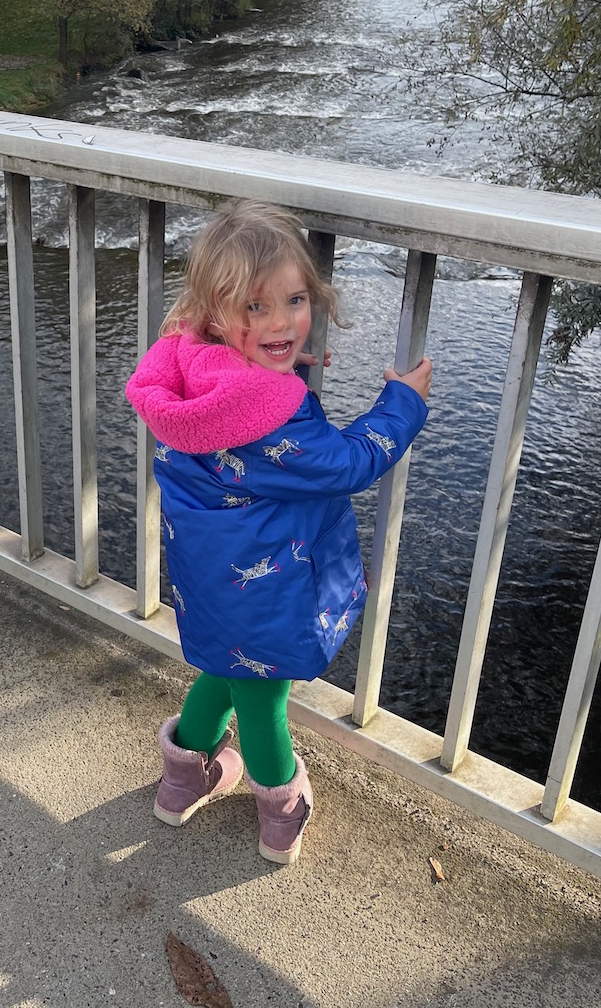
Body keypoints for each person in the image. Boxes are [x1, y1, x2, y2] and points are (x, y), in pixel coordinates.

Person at [125, 200, 432, 863]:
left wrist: (270, 367)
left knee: (220, 663)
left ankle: (183, 781)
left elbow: (245, 430)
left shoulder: (188, 366)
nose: (282, 321)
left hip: (207, 576)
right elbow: (350, 460)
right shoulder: (273, 412)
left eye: (294, 300)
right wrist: (403, 401)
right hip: (264, 589)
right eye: (256, 309)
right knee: (264, 700)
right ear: (215, 313)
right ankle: (281, 813)